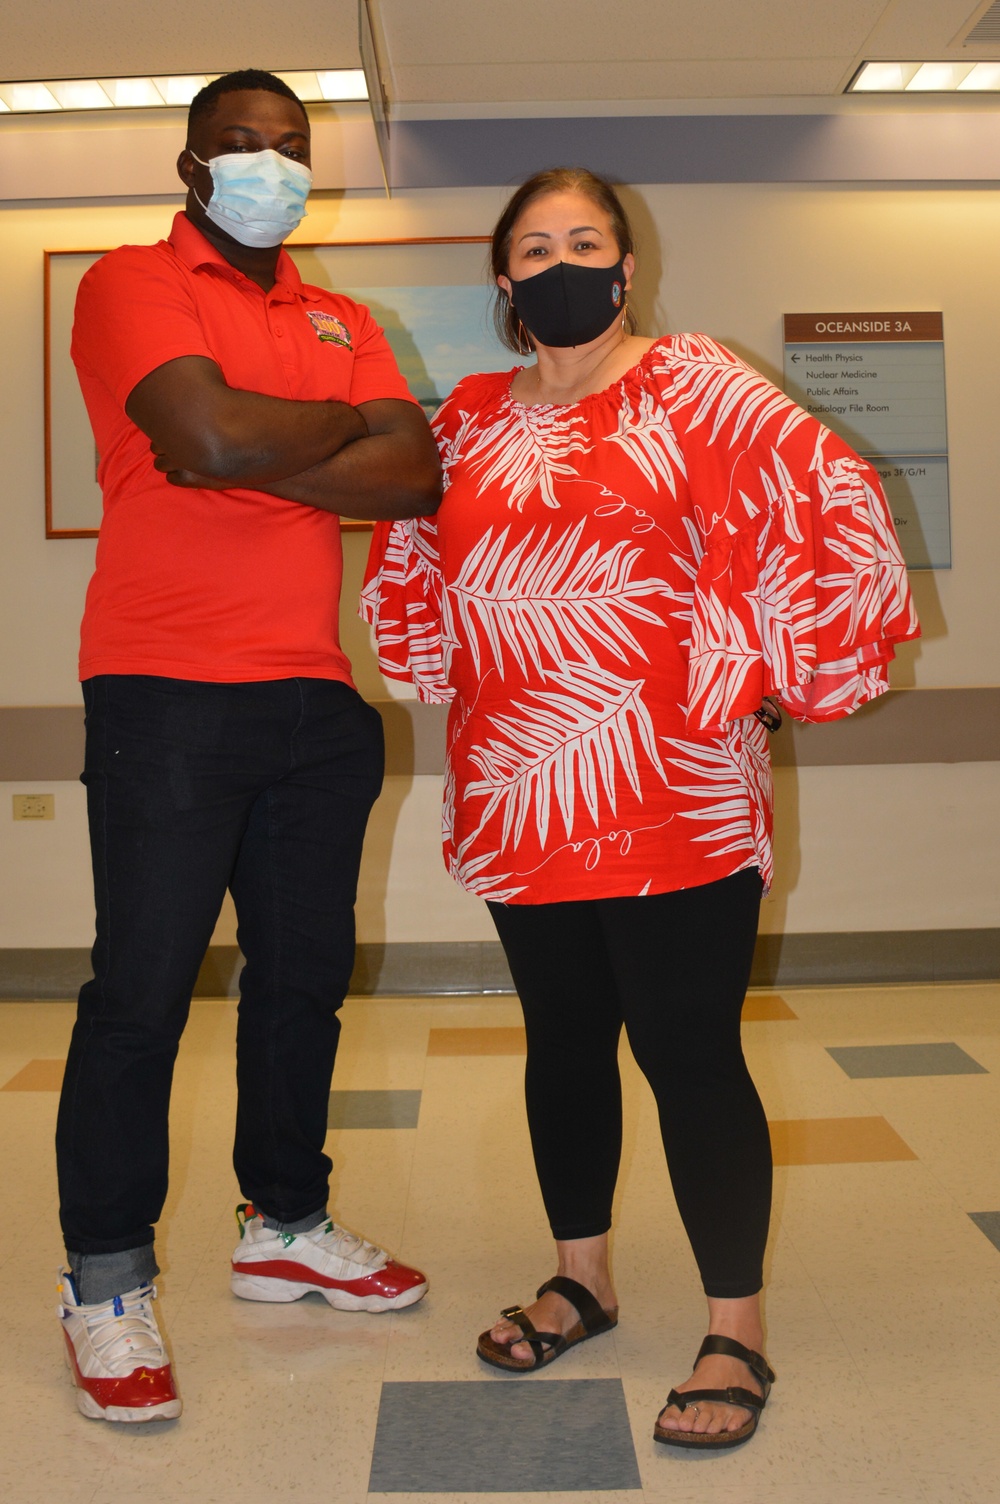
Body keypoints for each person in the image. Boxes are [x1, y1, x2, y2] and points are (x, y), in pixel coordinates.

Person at [362, 167, 918, 1451]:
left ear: (625, 266)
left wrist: (771, 663)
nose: (562, 261)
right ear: (502, 278)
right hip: (525, 782)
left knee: (687, 1053)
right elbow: (414, 570)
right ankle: (585, 1276)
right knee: (561, 1043)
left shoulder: (697, 381)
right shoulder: (465, 422)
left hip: (675, 787)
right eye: (536, 245)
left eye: (587, 240)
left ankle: (737, 1326)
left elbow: (831, 502)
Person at [56, 69, 441, 1425]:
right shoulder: (127, 285)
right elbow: (203, 432)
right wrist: (298, 426)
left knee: (300, 987)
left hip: (314, 706)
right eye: (241, 146)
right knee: (141, 996)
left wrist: (244, 436)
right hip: (164, 691)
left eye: (290, 148)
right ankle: (105, 1279)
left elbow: (413, 477)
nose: (269, 166)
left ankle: (283, 1223)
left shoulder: (343, 314)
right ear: (190, 166)